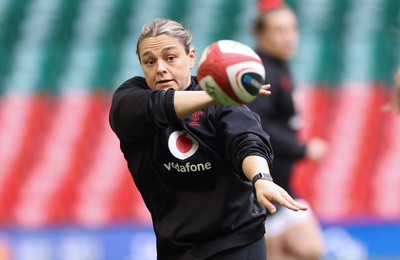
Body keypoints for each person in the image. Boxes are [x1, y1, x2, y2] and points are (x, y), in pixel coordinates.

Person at [109, 18, 307, 260]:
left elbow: (247, 140)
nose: (160, 68)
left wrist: (261, 178)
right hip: (175, 248)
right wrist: (218, 93)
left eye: (170, 57)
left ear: (191, 57)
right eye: (149, 61)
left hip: (235, 241)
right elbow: (158, 106)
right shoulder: (130, 101)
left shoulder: (222, 105)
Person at [247, 2, 329, 260]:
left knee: (309, 249)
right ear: (261, 35)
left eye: (292, 29)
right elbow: (258, 126)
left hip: (282, 183)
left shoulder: (279, 66)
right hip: (262, 187)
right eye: (280, 30)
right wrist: (302, 149)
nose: (290, 36)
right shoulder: (257, 72)